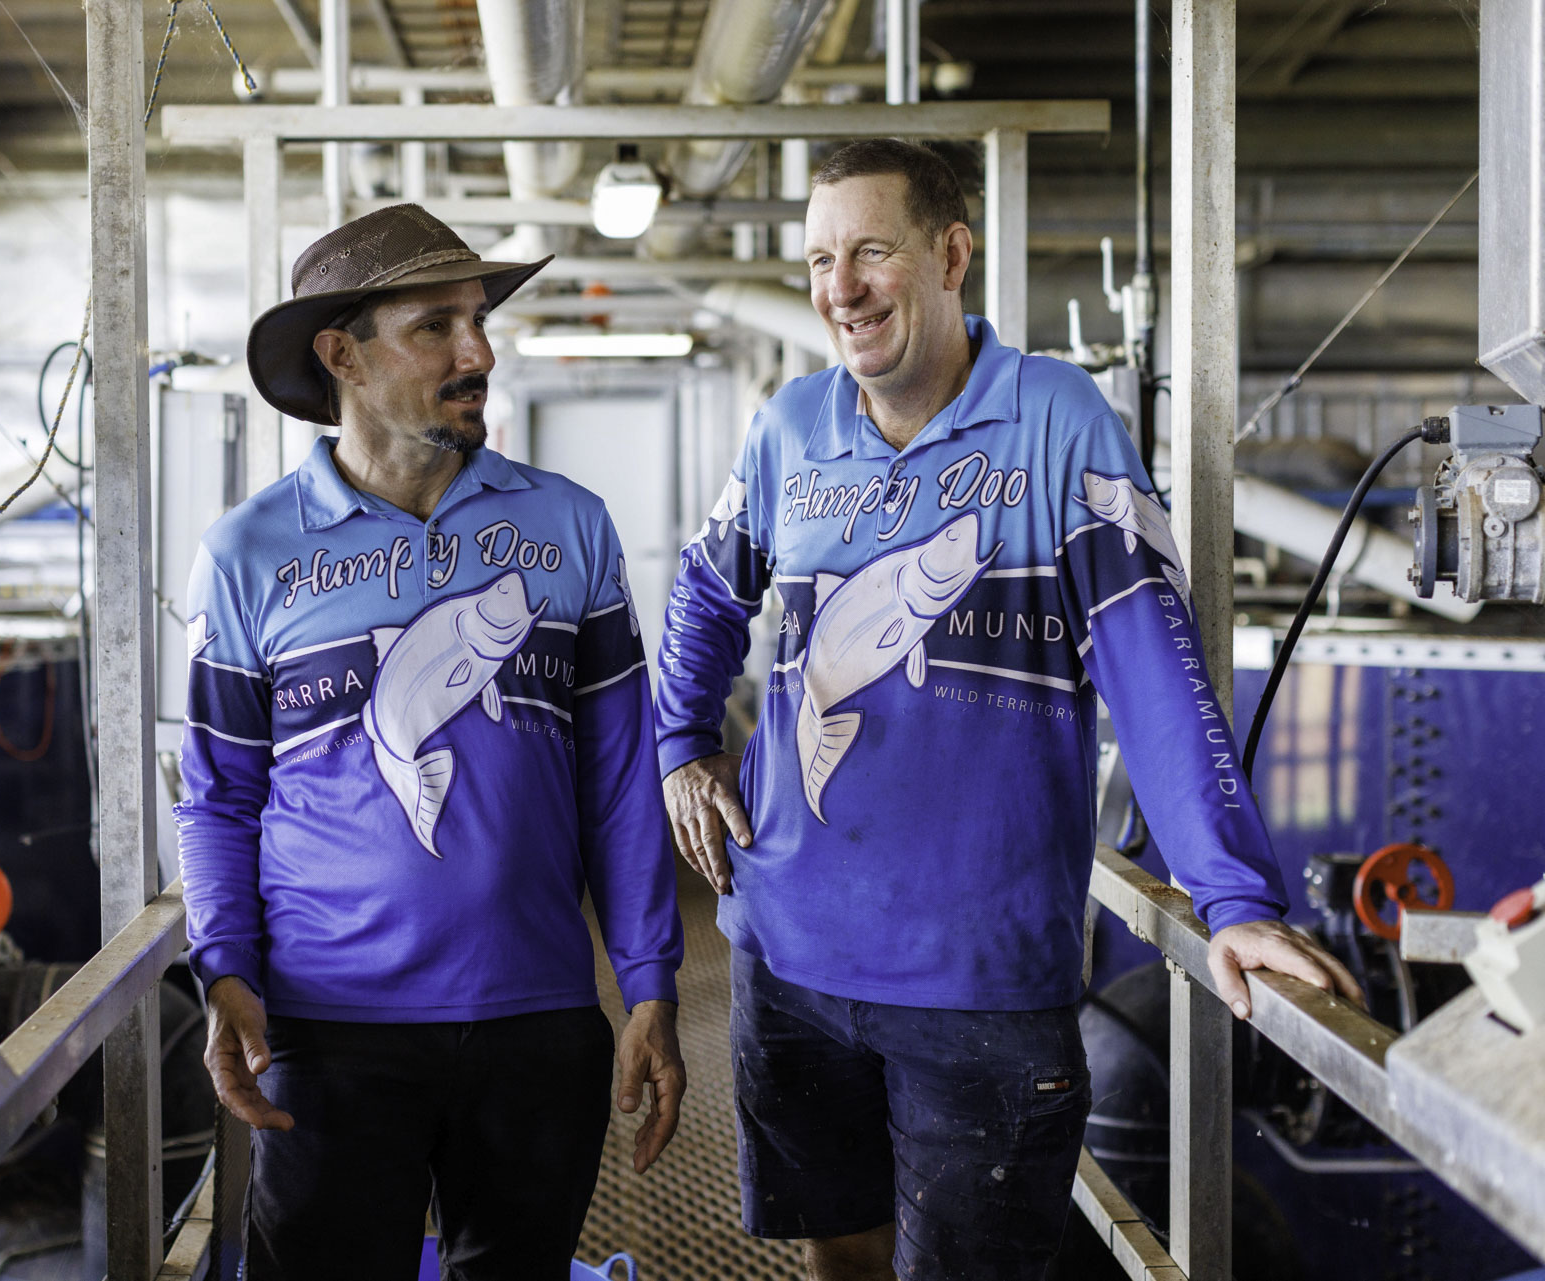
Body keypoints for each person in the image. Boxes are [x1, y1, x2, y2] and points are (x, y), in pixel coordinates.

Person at [653, 139, 1362, 1281]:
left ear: (950, 254)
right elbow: (702, 587)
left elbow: (1153, 667)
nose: (841, 288)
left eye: (872, 252)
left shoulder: (1056, 420)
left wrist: (1232, 897)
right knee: (840, 1249)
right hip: (787, 953)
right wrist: (684, 741)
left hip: (977, 979)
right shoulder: (788, 429)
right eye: (822, 258)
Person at [176, 203, 686, 1280]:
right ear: (341, 354)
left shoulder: (569, 528)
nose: (478, 353)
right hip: (327, 1029)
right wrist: (222, 969)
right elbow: (218, 795)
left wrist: (649, 980)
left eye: (479, 322)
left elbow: (619, 777)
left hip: (537, 1014)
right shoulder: (248, 553)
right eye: (436, 327)